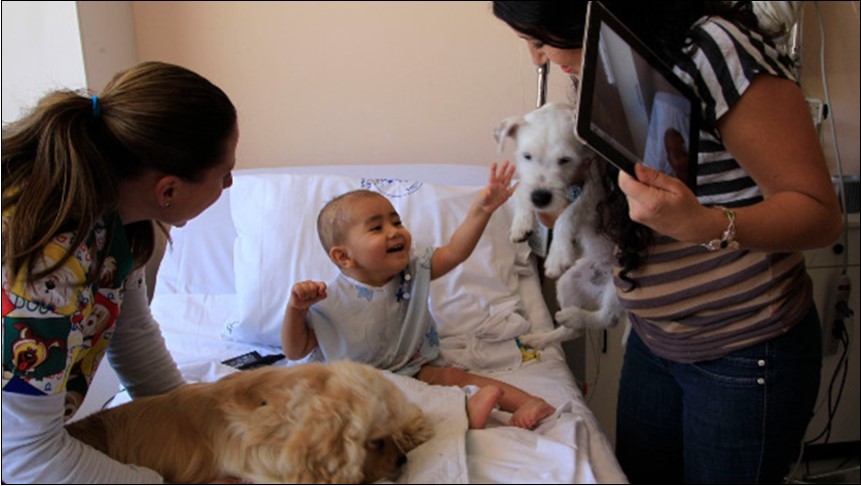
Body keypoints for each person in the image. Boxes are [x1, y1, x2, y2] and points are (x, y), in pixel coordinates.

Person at [493, 1, 842, 483]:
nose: (539, 58)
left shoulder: (714, 49)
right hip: (655, 340)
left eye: (541, 39)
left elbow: (820, 215)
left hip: (741, 350)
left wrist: (704, 225)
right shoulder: (614, 57)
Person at [2, 61, 239, 483]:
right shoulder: (44, 270)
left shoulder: (114, 222)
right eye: (224, 175)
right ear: (168, 190)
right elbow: (24, 458)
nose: (230, 185)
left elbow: (132, 337)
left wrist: (201, 431)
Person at [281, 161, 557, 430]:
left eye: (396, 222)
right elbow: (296, 350)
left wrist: (481, 210)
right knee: (365, 412)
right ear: (343, 256)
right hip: (357, 384)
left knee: (451, 376)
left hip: (409, 367)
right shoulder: (328, 299)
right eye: (377, 228)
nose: (394, 231)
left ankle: (528, 402)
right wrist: (296, 309)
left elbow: (454, 252)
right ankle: (462, 415)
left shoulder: (413, 271)